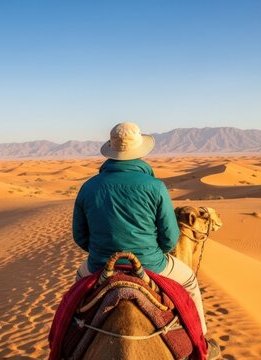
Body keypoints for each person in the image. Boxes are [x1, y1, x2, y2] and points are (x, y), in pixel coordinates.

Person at [72, 122, 219, 356]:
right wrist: (149, 251)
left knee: (75, 295)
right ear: (140, 151)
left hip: (100, 264)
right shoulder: (155, 187)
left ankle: (61, 343)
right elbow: (170, 239)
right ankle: (201, 343)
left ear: (111, 151)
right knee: (189, 281)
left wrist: (103, 249)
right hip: (151, 264)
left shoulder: (88, 187)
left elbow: (80, 237)